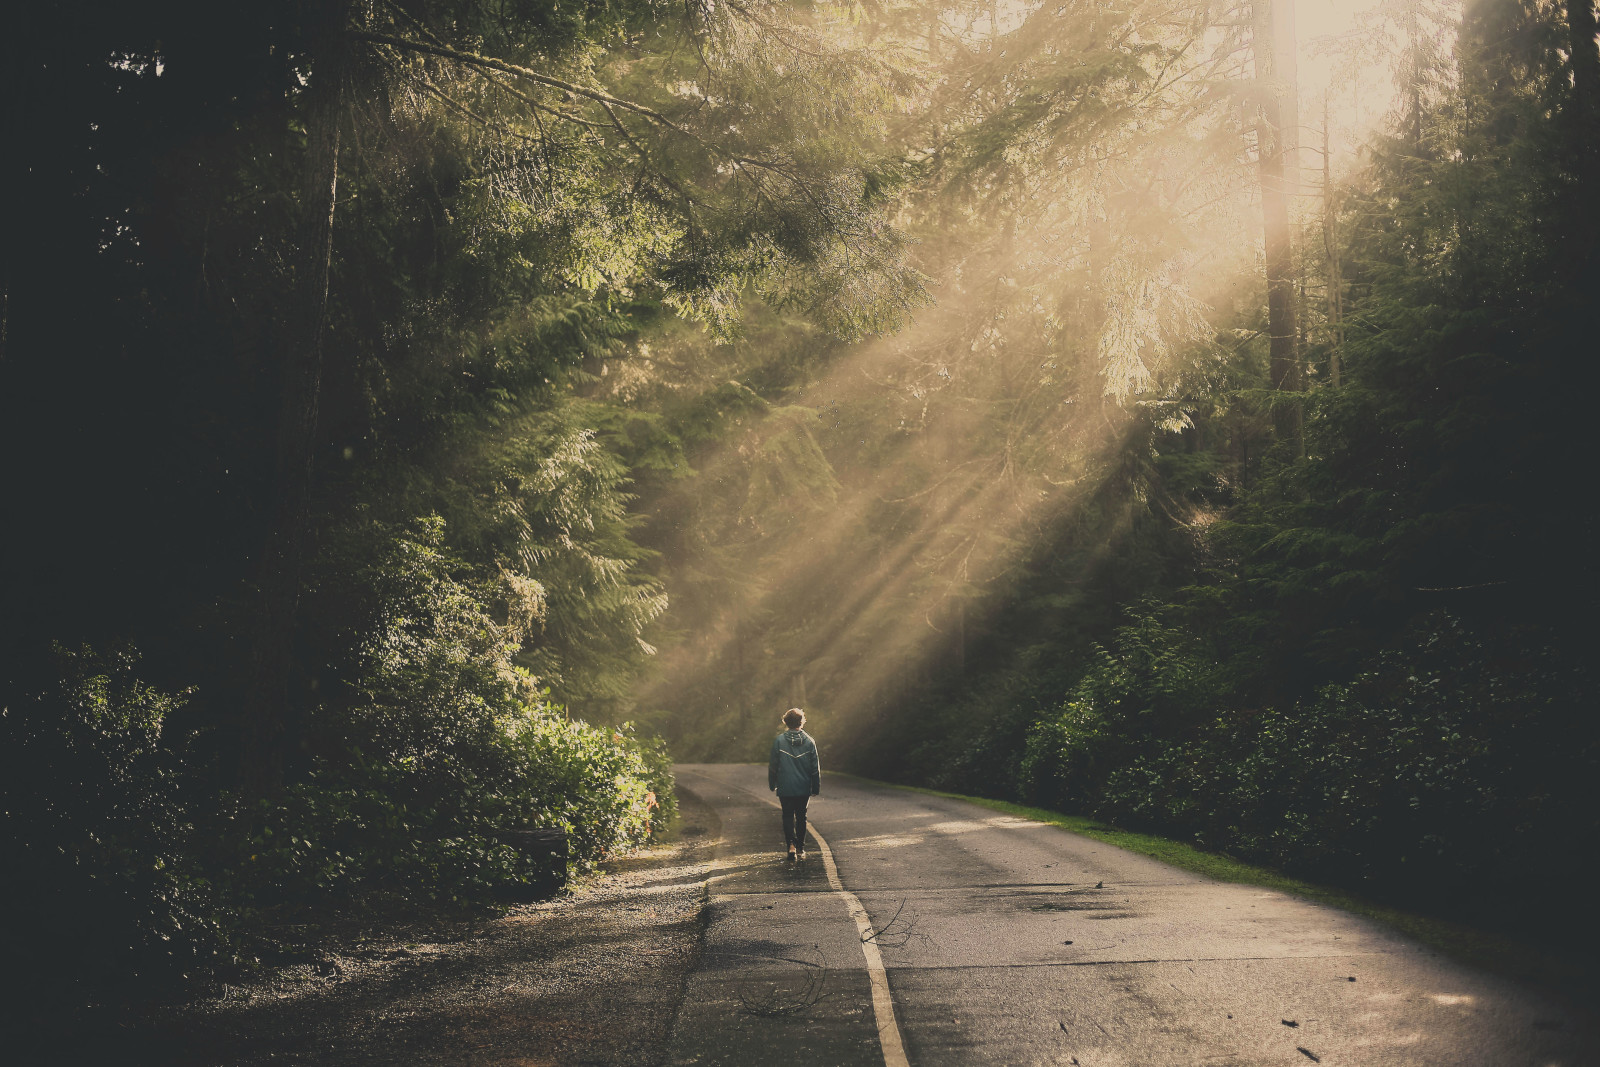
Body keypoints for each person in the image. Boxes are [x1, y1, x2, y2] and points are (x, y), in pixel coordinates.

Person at [768, 707, 820, 861]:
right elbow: (814, 768)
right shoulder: (810, 742)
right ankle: (800, 848)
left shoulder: (779, 741)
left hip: (785, 786)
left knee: (787, 815)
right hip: (803, 787)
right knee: (801, 816)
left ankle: (790, 845)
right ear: (801, 722)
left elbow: (773, 766)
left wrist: (772, 784)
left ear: (786, 722)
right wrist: (815, 786)